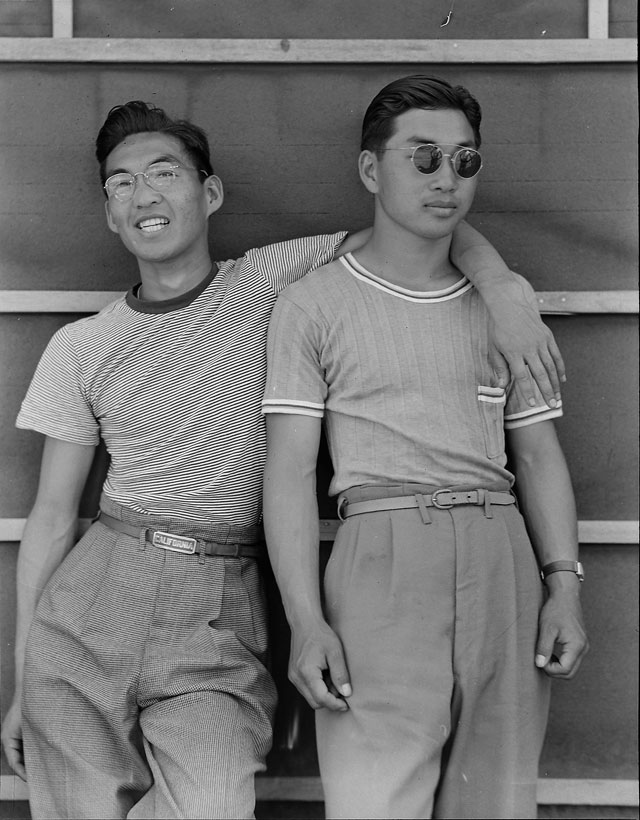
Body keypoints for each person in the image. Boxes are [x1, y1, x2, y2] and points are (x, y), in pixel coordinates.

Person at [1, 98, 566, 820]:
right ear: (109, 213)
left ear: (210, 193)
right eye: (121, 184)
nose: (143, 195)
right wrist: (20, 680)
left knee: (213, 803)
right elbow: (51, 518)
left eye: (165, 172)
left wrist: (504, 291)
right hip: (97, 588)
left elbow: (421, 222)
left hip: (218, 597)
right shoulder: (78, 347)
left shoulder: (274, 278)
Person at [262, 75, 588, 820]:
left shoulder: (508, 308)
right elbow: (288, 471)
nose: (447, 180)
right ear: (372, 171)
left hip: (500, 554)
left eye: (465, 161)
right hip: (380, 555)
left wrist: (564, 585)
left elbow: (538, 456)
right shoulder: (313, 302)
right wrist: (306, 619)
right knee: (375, 803)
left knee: (496, 803)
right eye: (424, 159)